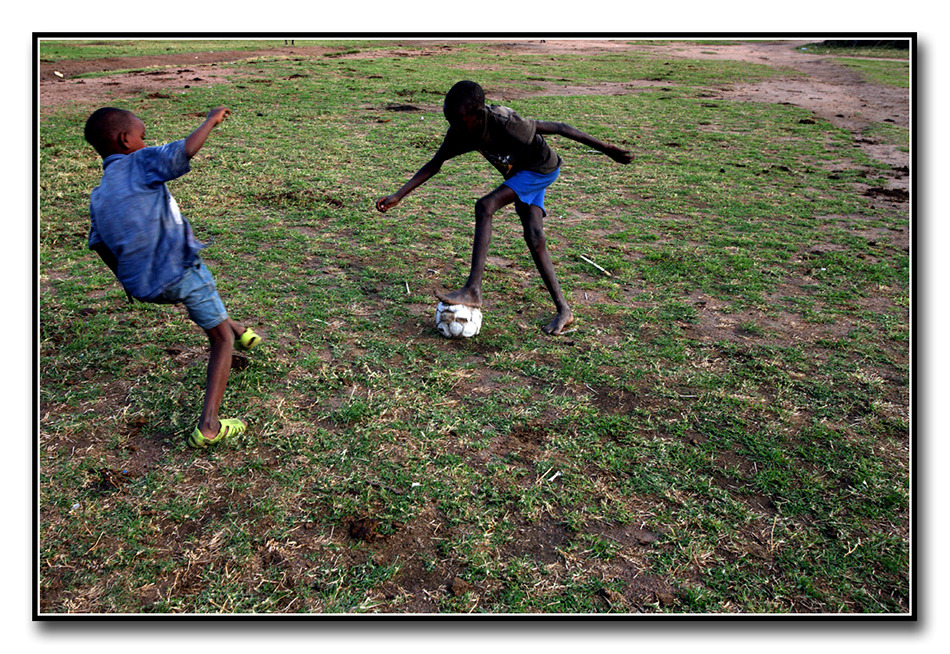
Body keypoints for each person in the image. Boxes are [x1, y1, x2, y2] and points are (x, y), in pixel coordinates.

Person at [376, 80, 632, 335]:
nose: (452, 127)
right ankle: (564, 310)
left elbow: (561, 128)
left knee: (485, 205)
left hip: (541, 168)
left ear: (476, 115)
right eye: (449, 120)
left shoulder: (506, 123)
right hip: (520, 174)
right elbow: (436, 163)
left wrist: (607, 149)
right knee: (534, 237)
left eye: (457, 120)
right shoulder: (460, 129)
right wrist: (399, 195)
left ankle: (473, 290)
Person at [83, 106, 261, 448]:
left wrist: (125, 280)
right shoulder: (139, 161)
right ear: (125, 140)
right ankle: (209, 425)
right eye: (142, 136)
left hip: (145, 284)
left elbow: (100, 244)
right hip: (180, 269)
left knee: (205, 304)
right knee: (220, 339)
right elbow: (185, 150)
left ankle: (242, 331)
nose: (144, 141)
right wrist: (211, 120)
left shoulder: (99, 194)